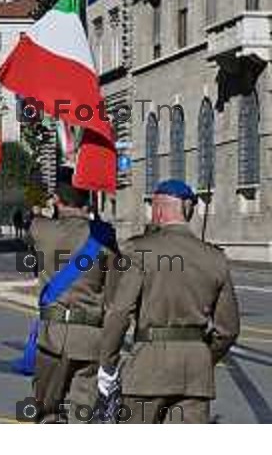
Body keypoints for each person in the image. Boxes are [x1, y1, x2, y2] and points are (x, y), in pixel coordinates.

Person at [97, 179, 240, 424]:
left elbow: (119, 313)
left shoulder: (138, 250)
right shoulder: (215, 258)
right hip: (194, 377)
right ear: (188, 209)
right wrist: (201, 355)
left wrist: (107, 365)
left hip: (146, 371)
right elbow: (228, 330)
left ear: (159, 210)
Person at [29, 170, 119, 423]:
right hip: (89, 339)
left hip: (52, 337)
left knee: (46, 414)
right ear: (88, 199)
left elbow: (34, 222)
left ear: (56, 199)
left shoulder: (40, 229)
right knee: (81, 417)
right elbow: (113, 295)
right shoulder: (104, 235)